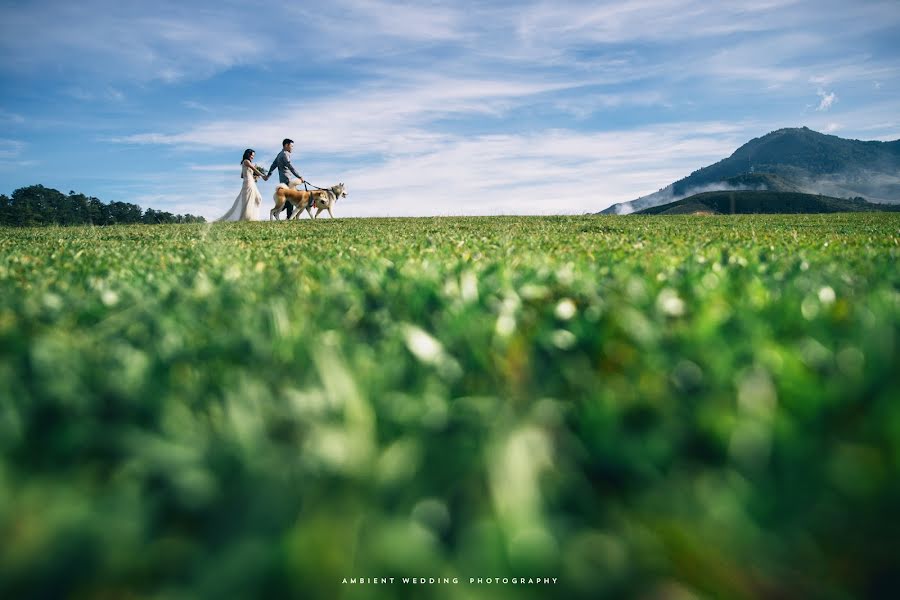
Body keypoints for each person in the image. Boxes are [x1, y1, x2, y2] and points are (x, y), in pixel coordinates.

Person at [217, 149, 268, 221]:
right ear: (248, 154)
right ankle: (246, 218)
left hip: (251, 182)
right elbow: (253, 168)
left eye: (253, 156)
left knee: (258, 198)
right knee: (248, 201)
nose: (252, 157)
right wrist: (263, 176)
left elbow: (242, 175)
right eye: (251, 155)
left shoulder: (246, 163)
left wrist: (253, 176)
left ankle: (252, 216)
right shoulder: (246, 161)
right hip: (248, 183)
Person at [267, 138, 304, 219]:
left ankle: (279, 212)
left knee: (287, 199)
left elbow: (273, 165)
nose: (292, 148)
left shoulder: (279, 154)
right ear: (286, 145)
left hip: (282, 180)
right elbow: (290, 166)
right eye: (291, 146)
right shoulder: (285, 154)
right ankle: (288, 216)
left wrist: (269, 174)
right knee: (291, 198)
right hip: (287, 180)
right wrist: (299, 176)